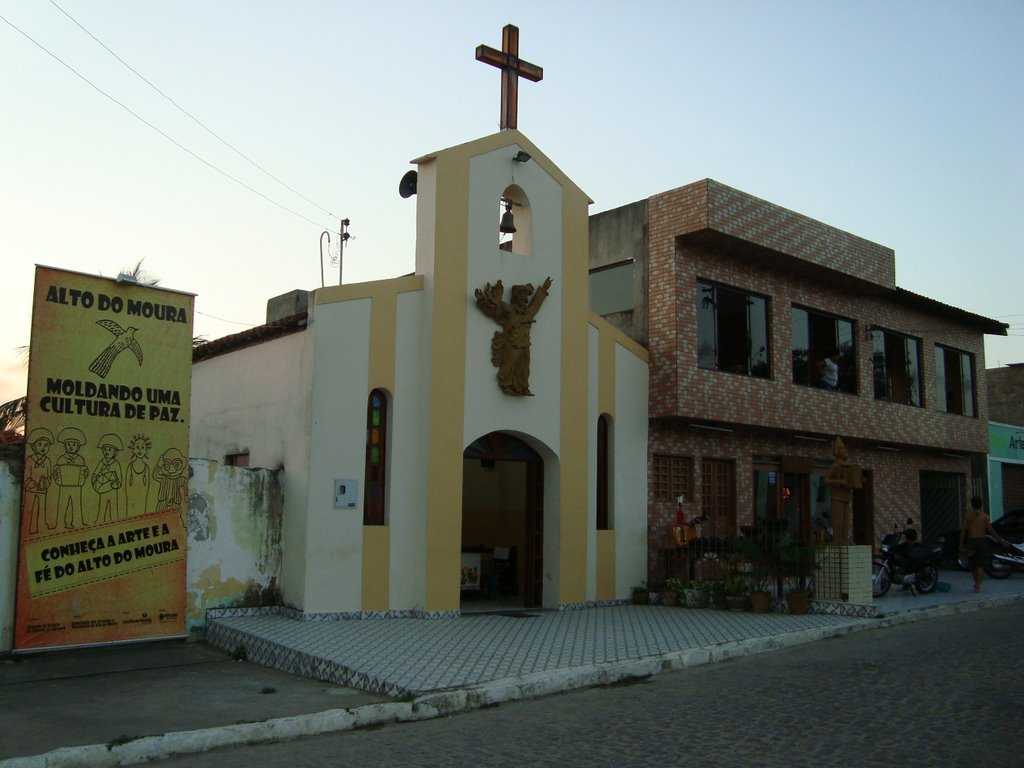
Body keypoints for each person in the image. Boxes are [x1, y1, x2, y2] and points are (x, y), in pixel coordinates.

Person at [960, 496, 1013, 593]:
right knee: (980, 564)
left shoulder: (967, 516)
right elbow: (991, 530)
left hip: (971, 540)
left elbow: (963, 530)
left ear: (972, 504)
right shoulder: (985, 517)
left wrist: (961, 543)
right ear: (981, 504)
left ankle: (976, 583)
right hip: (982, 541)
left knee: (972, 564)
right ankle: (978, 586)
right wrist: (1001, 541)